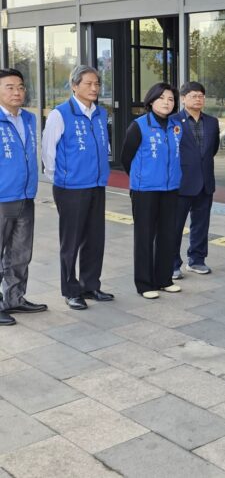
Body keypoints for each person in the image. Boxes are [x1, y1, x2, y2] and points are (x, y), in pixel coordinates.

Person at [42, 65, 114, 310]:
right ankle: (71, 290)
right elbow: (48, 151)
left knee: (95, 238)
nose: (94, 88)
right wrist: (61, 178)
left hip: (96, 184)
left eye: (97, 84)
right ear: (74, 86)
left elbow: (104, 145)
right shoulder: (60, 114)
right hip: (70, 187)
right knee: (71, 241)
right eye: (88, 84)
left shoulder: (101, 113)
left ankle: (90, 285)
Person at [120, 83, 183, 299]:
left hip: (170, 188)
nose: (167, 102)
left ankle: (164, 279)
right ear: (151, 100)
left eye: (171, 99)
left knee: (167, 235)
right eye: (162, 98)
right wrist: (142, 178)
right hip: (145, 190)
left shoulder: (176, 126)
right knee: (145, 236)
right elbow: (126, 158)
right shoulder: (138, 126)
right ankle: (145, 284)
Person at [0, 68, 48, 326]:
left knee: (20, 253)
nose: (17, 92)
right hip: (1, 198)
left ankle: (14, 298)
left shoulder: (28, 119)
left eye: (20, 87)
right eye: (9, 87)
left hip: (26, 195)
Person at [172, 81, 220, 280]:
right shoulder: (173, 121)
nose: (198, 99)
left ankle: (197, 260)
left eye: (201, 96)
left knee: (201, 224)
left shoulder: (211, 122)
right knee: (174, 225)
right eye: (193, 96)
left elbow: (213, 149)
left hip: (205, 182)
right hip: (181, 182)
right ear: (183, 99)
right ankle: (172, 263)